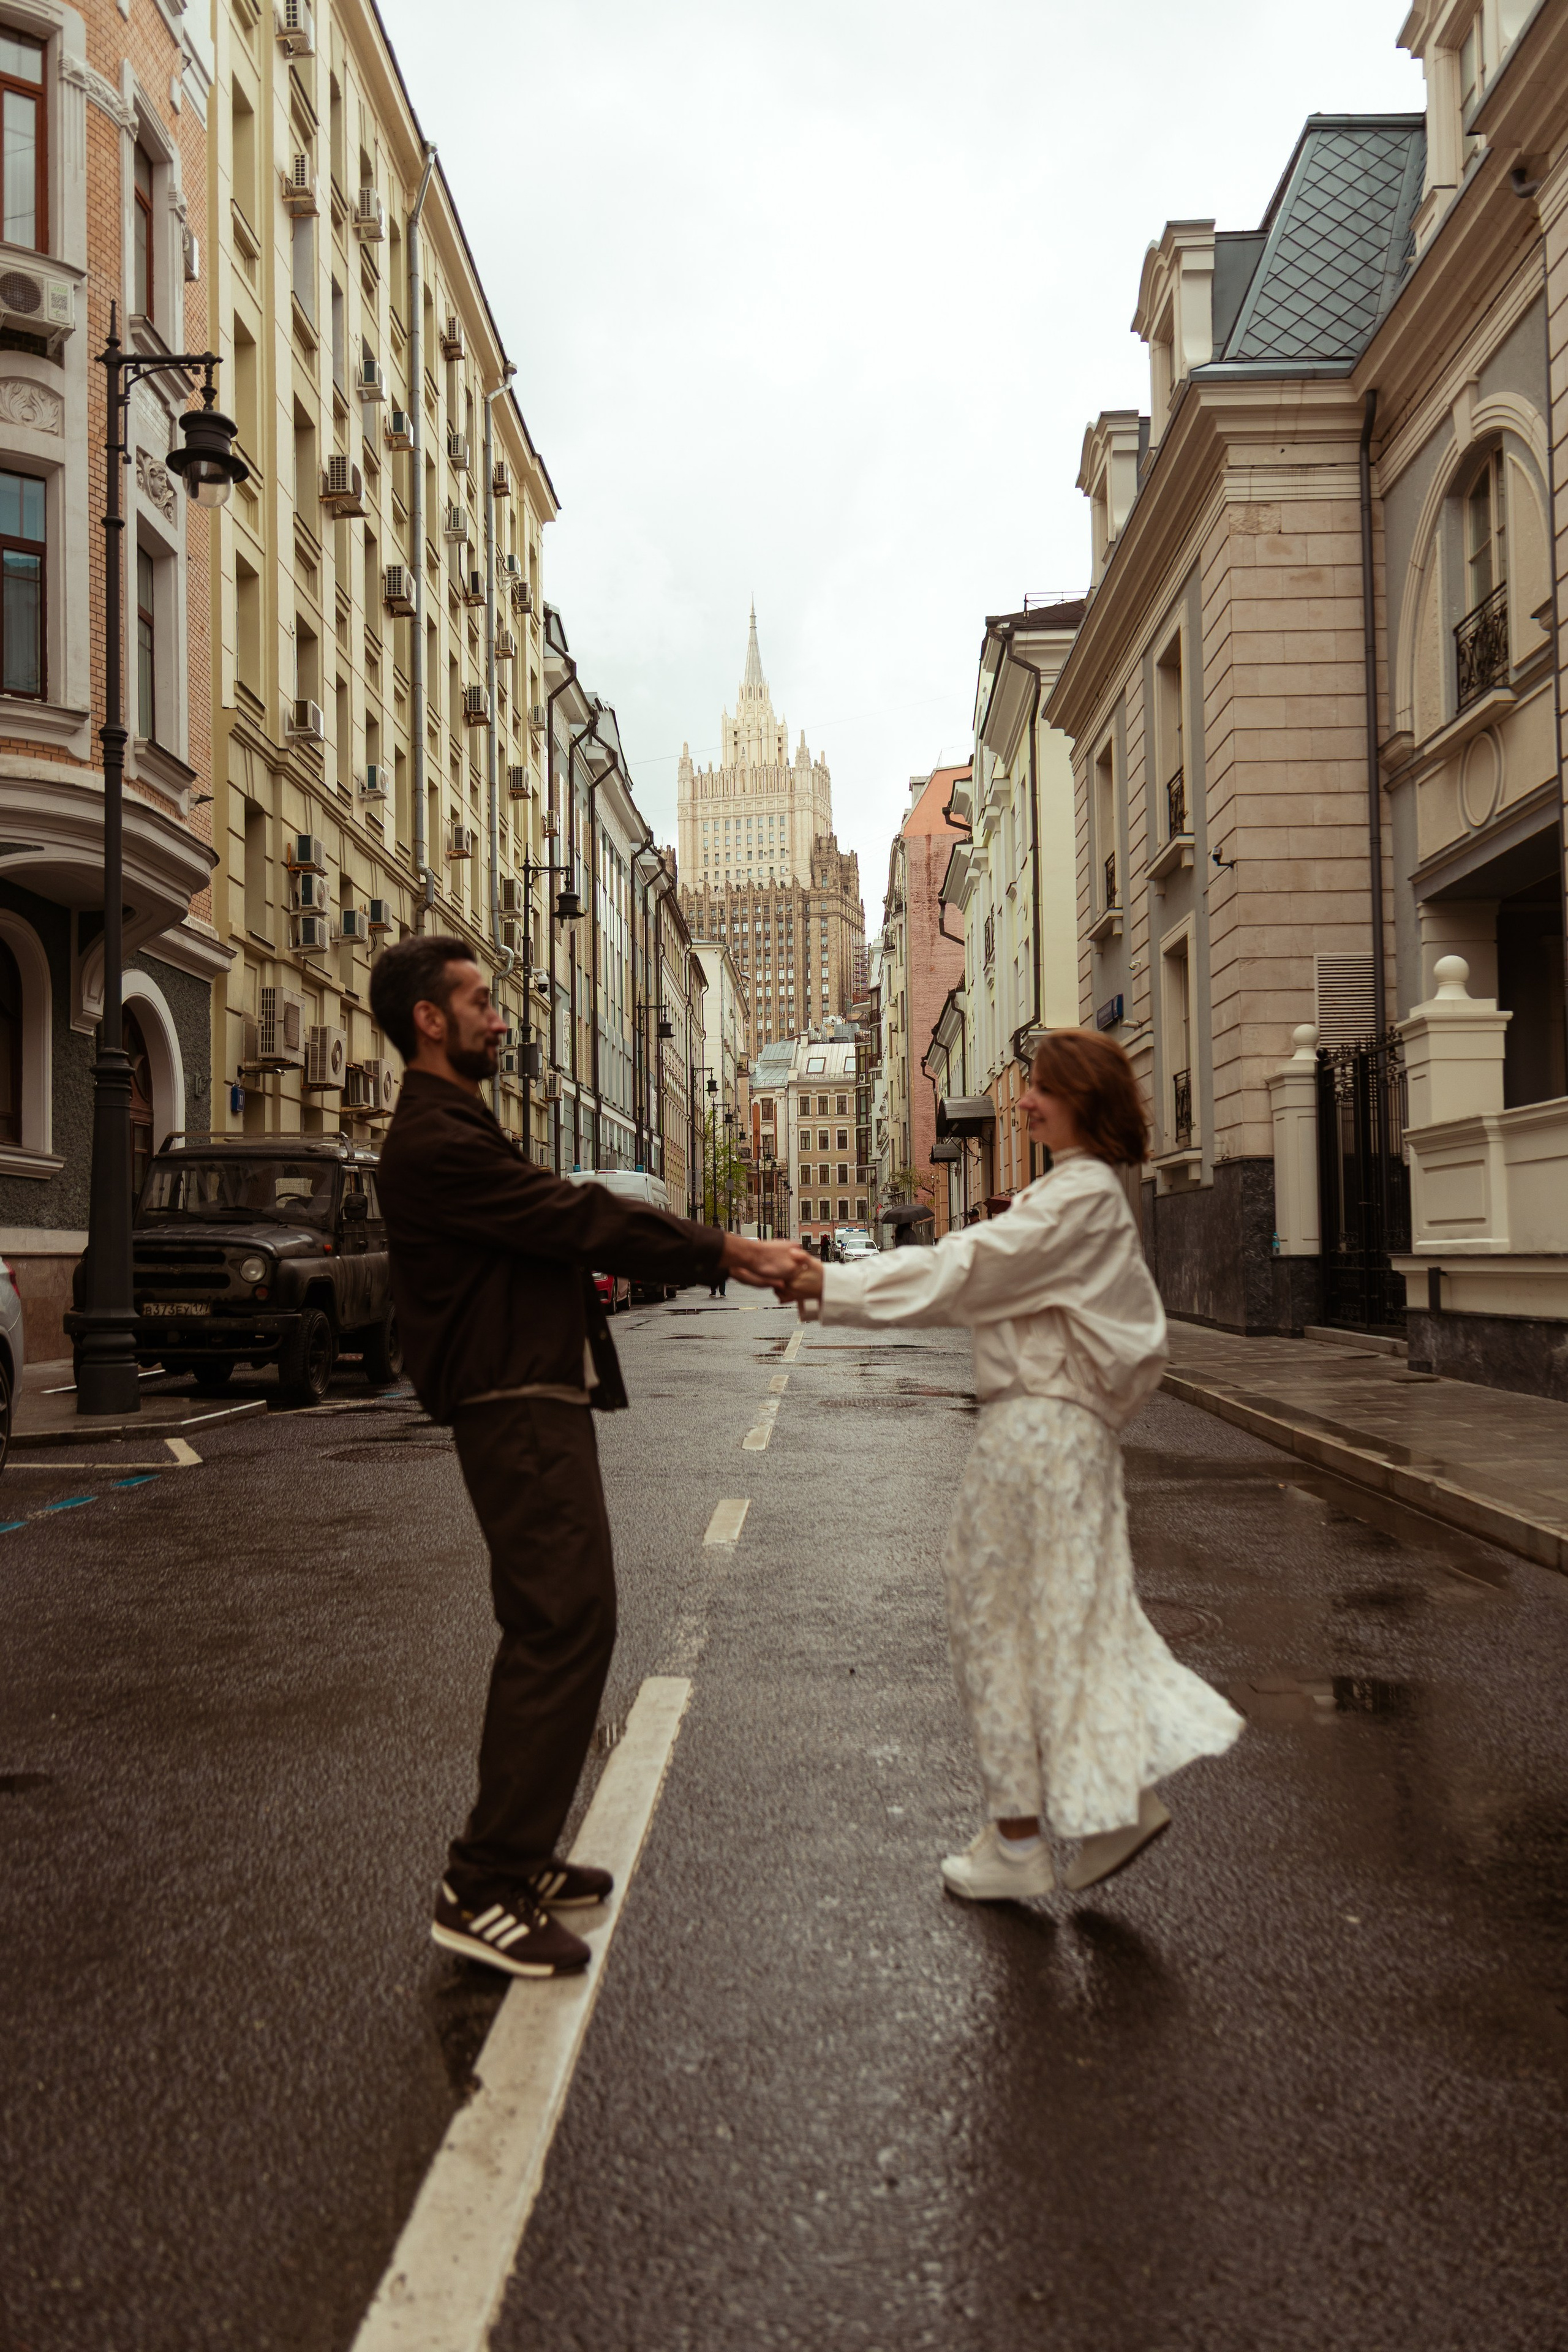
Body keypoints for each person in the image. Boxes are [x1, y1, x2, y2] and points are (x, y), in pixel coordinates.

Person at [371, 937, 803, 1977]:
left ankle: (511, 1863)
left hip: (533, 1394)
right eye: (479, 1001)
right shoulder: (435, 1139)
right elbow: (570, 1217)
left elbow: (555, 1220)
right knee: (563, 1625)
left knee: (564, 1622)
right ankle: (484, 1884)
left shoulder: (463, 1122)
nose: (500, 1017)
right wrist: (723, 1249)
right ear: (429, 1020)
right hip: (511, 1402)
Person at [777, 1029, 1241, 1902]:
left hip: (1036, 1434)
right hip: (1067, 1437)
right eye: (1028, 1085)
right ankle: (1103, 1807)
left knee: (993, 1617)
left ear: (1084, 1102)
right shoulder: (1083, 1193)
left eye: (1041, 1089)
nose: (1023, 1101)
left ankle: (1021, 1837)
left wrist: (829, 1286)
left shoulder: (1078, 1198)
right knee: (1067, 1616)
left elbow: (966, 1271)